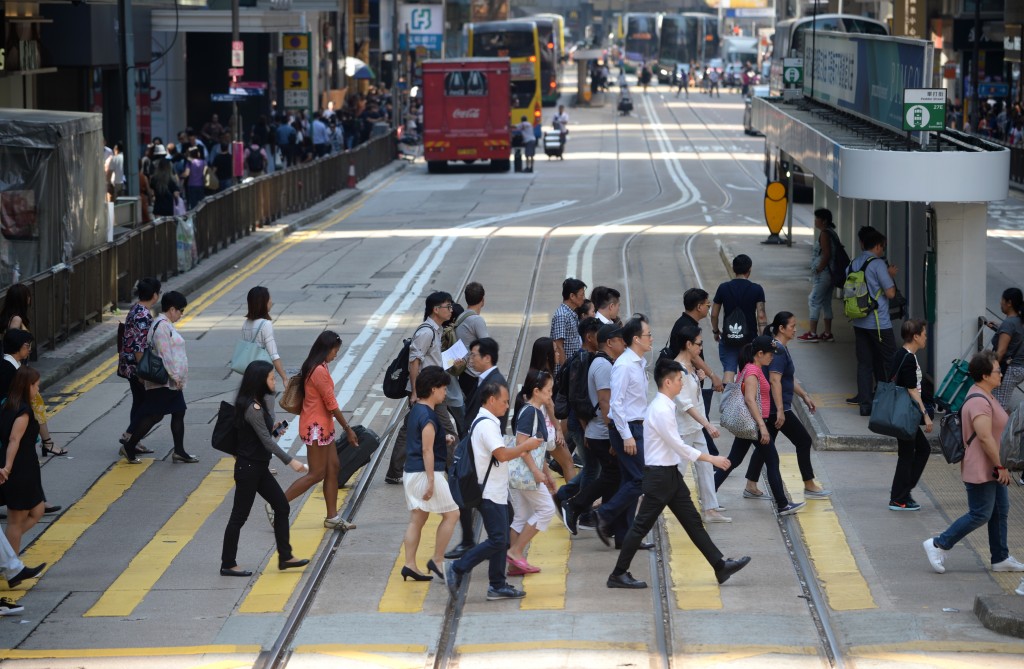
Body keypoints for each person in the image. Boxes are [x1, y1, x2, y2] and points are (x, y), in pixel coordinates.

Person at [606, 358, 750, 589]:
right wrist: (711, 458)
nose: (682, 383)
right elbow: (678, 445)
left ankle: (720, 565)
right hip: (660, 477)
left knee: (693, 522)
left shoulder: (665, 406)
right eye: (679, 380)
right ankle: (618, 574)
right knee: (641, 526)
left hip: (670, 476)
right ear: (668, 382)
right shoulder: (661, 409)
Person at [923, 351, 1024, 586]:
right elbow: (986, 437)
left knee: (1000, 510)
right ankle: (938, 544)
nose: (1001, 373)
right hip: (983, 467)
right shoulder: (979, 400)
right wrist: (1001, 465)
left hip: (991, 467)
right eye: (998, 370)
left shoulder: (985, 395)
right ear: (986, 375)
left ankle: (1000, 558)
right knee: (980, 513)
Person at [444, 381, 537, 602]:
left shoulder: (486, 421)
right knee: (497, 539)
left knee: (502, 539)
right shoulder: (487, 425)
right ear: (492, 400)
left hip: (496, 491)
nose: (507, 406)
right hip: (490, 493)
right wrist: (526, 446)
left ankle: (497, 585)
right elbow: (502, 455)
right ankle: (458, 568)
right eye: (504, 401)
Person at [221, 361, 311, 577]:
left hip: (258, 467)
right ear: (260, 381)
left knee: (281, 507)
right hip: (249, 469)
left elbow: (262, 437)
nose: (274, 381)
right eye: (271, 378)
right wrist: (291, 461)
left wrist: (275, 430)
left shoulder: (257, 403)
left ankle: (286, 556)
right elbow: (266, 442)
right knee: (239, 517)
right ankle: (228, 563)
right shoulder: (252, 408)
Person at [714, 336, 804, 516]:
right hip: (754, 424)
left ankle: (709, 494)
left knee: (733, 460)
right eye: (770, 354)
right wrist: (762, 426)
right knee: (772, 460)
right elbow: (749, 399)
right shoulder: (753, 371)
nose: (772, 357)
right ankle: (782, 504)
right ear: (760, 353)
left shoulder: (751, 368)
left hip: (750, 423)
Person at [745, 313, 831, 500]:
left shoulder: (780, 348)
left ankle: (751, 484)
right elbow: (775, 381)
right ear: (781, 328)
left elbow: (787, 378)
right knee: (803, 441)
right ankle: (808, 483)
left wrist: (804, 396)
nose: (795, 329)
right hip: (777, 407)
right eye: (792, 326)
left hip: (774, 407)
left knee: (765, 445)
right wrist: (781, 411)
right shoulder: (777, 351)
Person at [280, 331, 358, 531]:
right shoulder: (319, 371)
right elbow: (331, 404)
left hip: (324, 426)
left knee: (333, 467)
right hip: (316, 428)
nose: (336, 354)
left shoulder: (318, 366)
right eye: (335, 350)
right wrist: (348, 429)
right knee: (316, 474)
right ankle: (278, 505)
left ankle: (332, 517)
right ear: (326, 348)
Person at [385, 292, 459, 484]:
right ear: (436, 310)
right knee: (447, 428)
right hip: (427, 391)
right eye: (448, 307)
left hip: (431, 388)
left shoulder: (436, 330)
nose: (451, 310)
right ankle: (458, 470)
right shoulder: (426, 332)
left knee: (409, 429)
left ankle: (394, 471)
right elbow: (414, 362)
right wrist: (416, 393)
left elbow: (430, 359)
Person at [594, 315, 654, 548]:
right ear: (636, 339)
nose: (651, 339)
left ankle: (625, 537)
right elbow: (616, 405)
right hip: (627, 429)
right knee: (640, 481)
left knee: (630, 480)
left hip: (636, 427)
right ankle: (604, 514)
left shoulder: (637, 363)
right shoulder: (624, 365)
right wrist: (627, 435)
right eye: (648, 335)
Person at [560, 323, 626, 535]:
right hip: (603, 432)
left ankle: (607, 522)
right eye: (620, 340)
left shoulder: (601, 362)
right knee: (612, 475)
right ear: (609, 342)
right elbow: (605, 403)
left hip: (598, 430)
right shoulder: (604, 366)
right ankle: (576, 506)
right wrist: (615, 435)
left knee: (613, 475)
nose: (624, 343)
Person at [447, 337, 508, 560]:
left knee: (474, 494)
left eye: (473, 355)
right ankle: (485, 540)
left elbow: (499, 420)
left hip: (480, 451)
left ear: (487, 358)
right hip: (475, 447)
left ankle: (494, 541)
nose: (470, 359)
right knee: (475, 495)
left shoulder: (496, 382)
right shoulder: (485, 379)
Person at [120, 291, 197, 464]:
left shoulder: (164, 324)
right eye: (181, 310)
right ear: (172, 309)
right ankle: (130, 445)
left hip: (168, 380)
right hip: (165, 381)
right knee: (155, 415)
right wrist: (176, 376)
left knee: (177, 411)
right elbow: (165, 355)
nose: (182, 314)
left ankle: (179, 451)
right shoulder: (161, 327)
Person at [400, 366, 460, 582]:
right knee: (452, 514)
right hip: (425, 474)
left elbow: (423, 440)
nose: (445, 392)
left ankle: (409, 565)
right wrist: (432, 481)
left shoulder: (417, 408)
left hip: (412, 473)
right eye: (443, 388)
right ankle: (437, 559)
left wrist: (442, 440)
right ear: (434, 389)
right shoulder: (429, 416)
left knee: (417, 519)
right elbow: (426, 450)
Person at [671, 326, 729, 523]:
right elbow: (685, 404)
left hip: (695, 428)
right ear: (688, 344)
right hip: (683, 430)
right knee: (674, 473)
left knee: (705, 466)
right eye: (699, 343)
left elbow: (693, 396)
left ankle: (710, 510)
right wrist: (708, 425)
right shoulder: (676, 369)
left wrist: (699, 378)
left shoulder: (689, 367)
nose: (701, 347)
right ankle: (645, 505)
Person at [506, 370, 557, 575]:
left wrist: (547, 474)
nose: (550, 395)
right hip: (526, 473)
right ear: (536, 391)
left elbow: (538, 449)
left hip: (525, 473)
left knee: (522, 516)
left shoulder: (535, 411)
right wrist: (537, 472)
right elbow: (521, 445)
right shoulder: (529, 412)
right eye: (548, 391)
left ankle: (514, 565)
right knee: (546, 510)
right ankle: (516, 552)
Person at [847, 226, 898, 416]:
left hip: (859, 321)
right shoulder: (877, 264)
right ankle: (889, 401)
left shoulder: (853, 264)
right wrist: (889, 276)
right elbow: (890, 293)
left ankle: (865, 405)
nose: (882, 250)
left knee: (865, 363)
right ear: (877, 246)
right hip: (879, 323)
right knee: (891, 361)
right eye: (882, 247)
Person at [670, 288, 725, 455]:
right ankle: (712, 458)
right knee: (697, 423)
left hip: (692, 381)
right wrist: (712, 375)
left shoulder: (685, 323)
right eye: (708, 304)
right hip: (686, 384)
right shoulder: (686, 327)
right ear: (699, 306)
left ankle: (711, 459)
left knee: (700, 424)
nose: (709, 308)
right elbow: (694, 357)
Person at [887, 319, 933, 511]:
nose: (926, 338)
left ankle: (903, 493)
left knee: (915, 451)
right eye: (924, 334)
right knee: (912, 453)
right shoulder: (908, 358)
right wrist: (926, 415)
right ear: (915, 336)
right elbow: (912, 390)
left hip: (902, 413)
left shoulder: (900, 354)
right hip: (907, 414)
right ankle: (899, 496)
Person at [0, 367, 46, 553]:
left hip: (26, 467)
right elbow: (14, 440)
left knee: (37, 510)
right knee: (16, 521)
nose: (38, 390)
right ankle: (11, 563)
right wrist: (8, 467)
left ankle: (8, 555)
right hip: (20, 469)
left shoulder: (7, 404)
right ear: (27, 386)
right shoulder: (23, 411)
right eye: (36, 386)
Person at [117, 277, 162, 456]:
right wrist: (144, 372)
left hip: (128, 364)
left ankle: (135, 440)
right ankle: (129, 436)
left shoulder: (136, 308)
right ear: (154, 295)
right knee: (148, 404)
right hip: (137, 366)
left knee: (139, 401)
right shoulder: (143, 315)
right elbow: (139, 346)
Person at [711, 254, 767, 383]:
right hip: (749, 339)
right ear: (749, 270)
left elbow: (714, 314)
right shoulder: (757, 289)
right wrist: (763, 339)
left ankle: (728, 401)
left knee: (729, 370)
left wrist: (716, 332)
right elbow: (761, 316)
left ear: (733, 269)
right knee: (749, 371)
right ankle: (747, 400)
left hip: (729, 337)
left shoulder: (723, 288)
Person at [797, 209, 837, 343]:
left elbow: (827, 254)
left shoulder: (825, 234)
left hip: (824, 274)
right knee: (826, 302)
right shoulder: (832, 233)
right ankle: (827, 333)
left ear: (823, 220)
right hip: (831, 273)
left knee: (813, 300)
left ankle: (812, 333)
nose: (815, 221)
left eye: (817, 218)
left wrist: (819, 269)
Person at [242, 287, 289, 385]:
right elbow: (273, 355)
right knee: (265, 400)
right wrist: (284, 378)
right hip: (263, 374)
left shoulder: (246, 323)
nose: (271, 301)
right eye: (269, 298)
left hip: (249, 374)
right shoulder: (265, 324)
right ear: (263, 302)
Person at [987, 287, 1024, 411]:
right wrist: (999, 327)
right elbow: (1016, 336)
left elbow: (1001, 351)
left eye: (1002, 300)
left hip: (1009, 369)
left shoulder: (1009, 324)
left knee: (998, 406)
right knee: (999, 403)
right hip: (1019, 368)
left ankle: (1003, 430)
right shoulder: (1020, 320)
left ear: (1009, 303)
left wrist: (988, 368)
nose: (1000, 303)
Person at [456, 282, 489, 400]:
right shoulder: (476, 320)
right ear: (482, 299)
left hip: (464, 372)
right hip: (474, 374)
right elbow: (487, 346)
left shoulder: (461, 317)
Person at [551, 278, 587, 372]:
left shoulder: (571, 313)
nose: (584, 298)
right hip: (566, 370)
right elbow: (558, 346)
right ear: (572, 296)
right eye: (582, 294)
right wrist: (565, 372)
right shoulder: (562, 315)